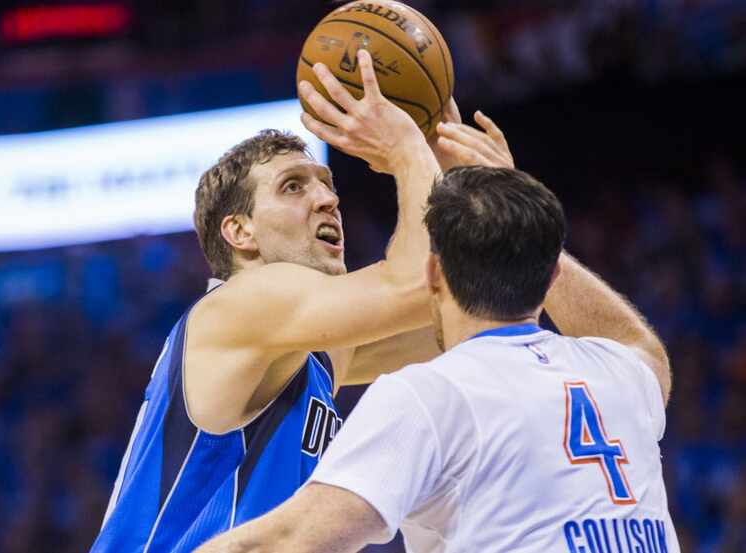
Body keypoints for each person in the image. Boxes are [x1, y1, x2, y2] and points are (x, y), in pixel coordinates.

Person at [90, 50, 511, 552]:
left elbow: (465, 323)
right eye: (293, 187)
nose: (327, 199)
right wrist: (406, 150)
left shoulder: (309, 347)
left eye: (327, 186)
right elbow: (413, 286)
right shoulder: (244, 303)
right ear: (239, 232)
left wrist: (481, 193)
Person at [194, 162, 678, 551]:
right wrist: (519, 226)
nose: (328, 198)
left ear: (432, 272)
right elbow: (641, 345)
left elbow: (287, 542)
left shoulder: (429, 395)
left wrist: (404, 141)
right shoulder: (620, 373)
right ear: (553, 277)